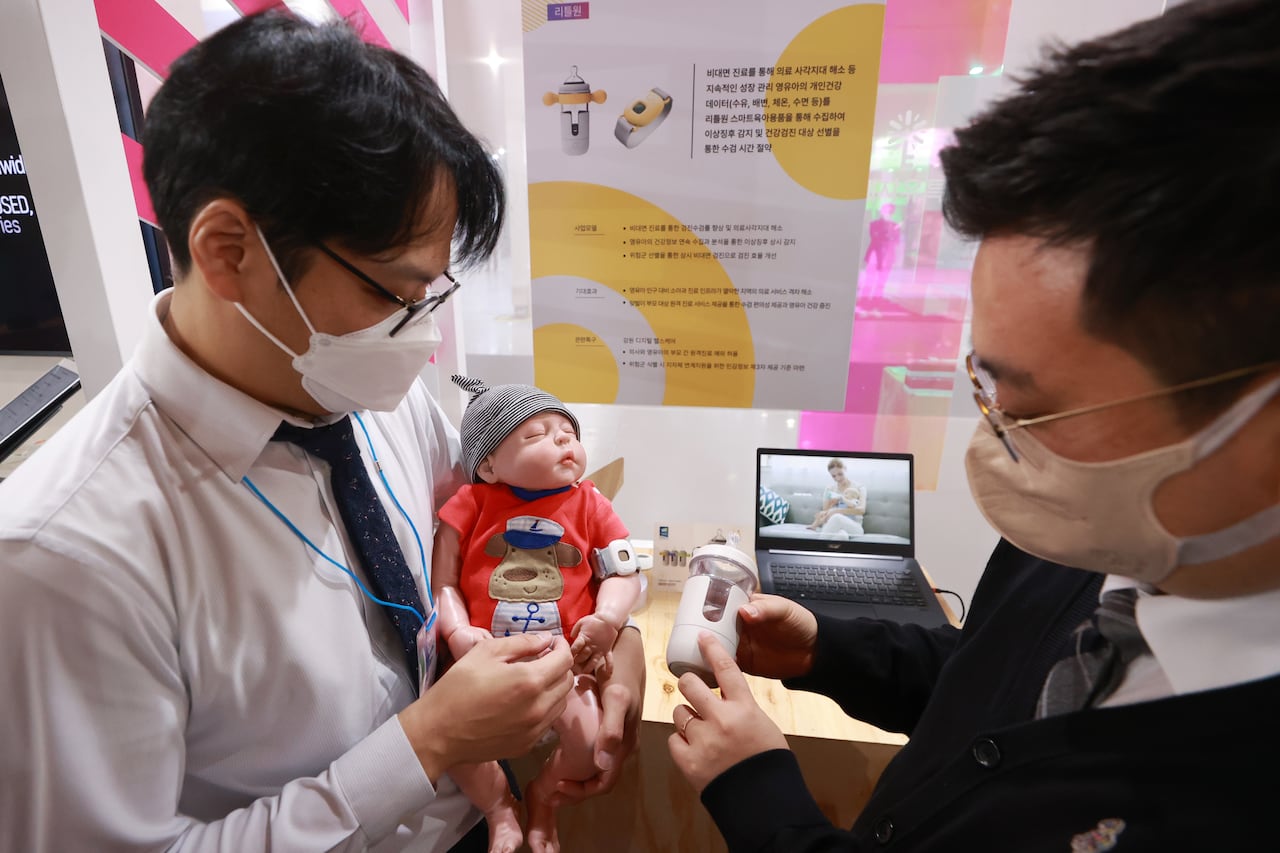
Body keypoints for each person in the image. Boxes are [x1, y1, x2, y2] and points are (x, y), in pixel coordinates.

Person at [0, 13, 643, 852]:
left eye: (431, 294)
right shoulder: (63, 556)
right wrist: (426, 743)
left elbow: (523, 519)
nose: (421, 336)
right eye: (392, 293)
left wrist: (618, 639)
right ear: (228, 250)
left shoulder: (370, 394)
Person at [668, 1, 1280, 849]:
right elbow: (985, 679)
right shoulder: (1082, 533)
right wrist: (825, 651)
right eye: (985, 387)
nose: (997, 442)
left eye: (1033, 405)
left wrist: (761, 795)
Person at [432, 375, 641, 853]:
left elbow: (624, 573)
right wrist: (458, 630)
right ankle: (498, 806)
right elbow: (444, 583)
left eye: (568, 432)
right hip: (484, 663)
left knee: (592, 745)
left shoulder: (591, 503)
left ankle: (545, 796)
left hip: (566, 659)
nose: (563, 441)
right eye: (536, 434)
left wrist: (608, 619)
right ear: (487, 465)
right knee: (451, 745)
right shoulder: (468, 504)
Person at [806, 458, 866, 535]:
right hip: (833, 525)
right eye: (833, 476)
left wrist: (836, 511)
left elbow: (861, 510)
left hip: (854, 526)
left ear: (845, 469)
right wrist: (831, 504)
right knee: (842, 536)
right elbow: (826, 511)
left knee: (837, 517)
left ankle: (820, 541)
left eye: (840, 474)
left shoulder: (859, 487)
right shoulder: (829, 489)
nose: (838, 478)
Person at [860, 202, 901, 302]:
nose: (887, 212)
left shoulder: (895, 225)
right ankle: (865, 298)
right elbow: (875, 236)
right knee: (870, 277)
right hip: (875, 254)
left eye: (889, 210)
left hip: (887, 255)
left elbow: (896, 241)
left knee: (882, 279)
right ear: (881, 211)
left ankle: (877, 298)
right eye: (885, 210)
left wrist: (892, 231)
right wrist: (890, 232)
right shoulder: (874, 224)